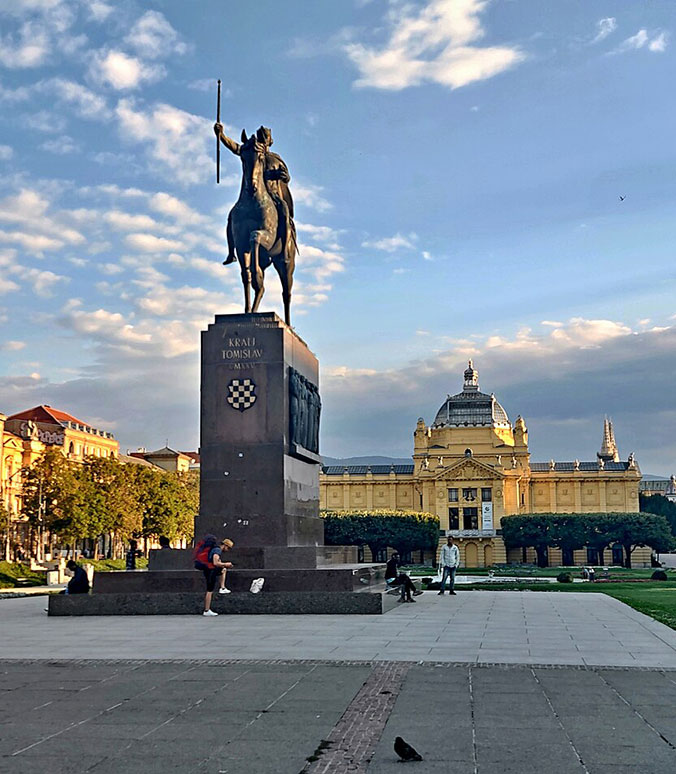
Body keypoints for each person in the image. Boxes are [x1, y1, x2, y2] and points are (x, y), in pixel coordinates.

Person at [213, 123, 297, 266]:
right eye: (261, 137)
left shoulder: (276, 158)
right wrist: (221, 135)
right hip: (253, 193)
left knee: (284, 210)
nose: (263, 139)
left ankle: (284, 250)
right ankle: (231, 253)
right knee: (232, 215)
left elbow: (286, 177)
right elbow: (235, 147)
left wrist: (281, 175)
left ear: (270, 141)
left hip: (272, 195)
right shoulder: (252, 152)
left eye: (265, 137)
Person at [194, 535, 234, 616]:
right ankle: (207, 610)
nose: (228, 550)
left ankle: (222, 588)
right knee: (210, 590)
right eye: (228, 548)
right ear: (225, 545)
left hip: (208, 569)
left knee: (223, 570)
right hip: (210, 570)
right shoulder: (217, 550)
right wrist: (226, 564)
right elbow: (215, 563)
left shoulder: (214, 549)